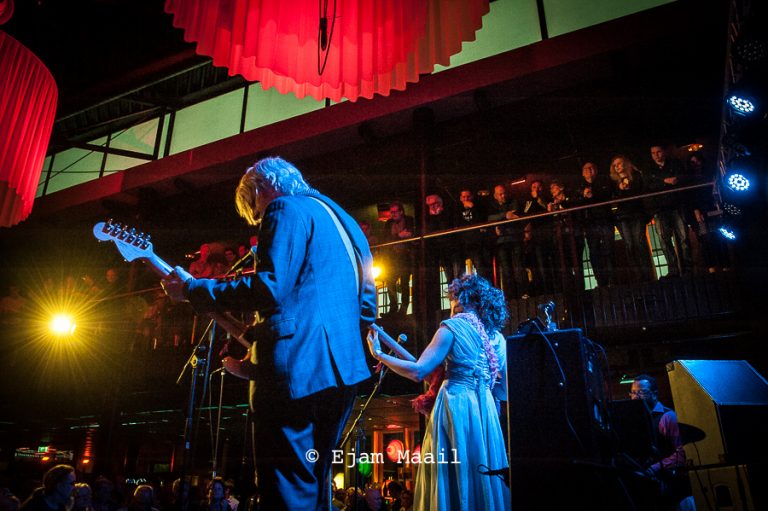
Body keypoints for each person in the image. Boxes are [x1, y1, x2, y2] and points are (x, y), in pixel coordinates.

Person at [161, 156, 377, 510]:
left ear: (261, 189)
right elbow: (366, 305)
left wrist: (194, 290)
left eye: (255, 210)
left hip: (297, 370)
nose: (261, 216)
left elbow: (270, 287)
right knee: (315, 480)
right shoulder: (345, 220)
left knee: (287, 485)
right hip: (345, 371)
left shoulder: (283, 207)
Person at [366, 274, 510, 510]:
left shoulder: (451, 328)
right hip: (485, 412)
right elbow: (504, 390)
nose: (451, 306)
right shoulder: (498, 339)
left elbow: (418, 371)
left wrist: (379, 355)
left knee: (450, 474)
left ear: (462, 299)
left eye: (453, 299)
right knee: (481, 470)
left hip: (456, 405)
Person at [630, 374, 694, 511]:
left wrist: (654, 469)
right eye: (633, 393)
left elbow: (682, 455)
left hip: (669, 485)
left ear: (654, 394)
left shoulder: (667, 417)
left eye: (642, 392)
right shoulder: (635, 419)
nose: (635, 397)